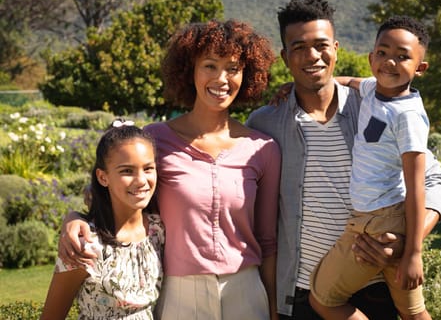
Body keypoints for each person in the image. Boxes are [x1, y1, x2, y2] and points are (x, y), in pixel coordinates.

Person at [245, 0, 441, 319]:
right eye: (298, 47)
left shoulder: (373, 107)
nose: (312, 56)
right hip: (300, 297)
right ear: (285, 57)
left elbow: (434, 179)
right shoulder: (265, 123)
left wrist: (405, 242)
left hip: (374, 289)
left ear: (337, 48)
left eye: (321, 45)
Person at [58, 19, 281, 320]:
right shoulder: (156, 139)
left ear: (247, 74)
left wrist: (272, 311)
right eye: (210, 66)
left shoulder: (263, 148)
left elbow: (267, 241)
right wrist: (73, 220)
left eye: (233, 68)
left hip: (247, 291)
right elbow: (108, 193)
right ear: (190, 70)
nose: (222, 78)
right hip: (179, 295)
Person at [308, 15, 432, 320]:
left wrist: (414, 254)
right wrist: (298, 85)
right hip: (380, 217)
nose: (390, 62)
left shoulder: (407, 116)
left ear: (420, 68)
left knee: (323, 299)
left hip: (377, 223)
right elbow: (349, 81)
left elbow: (416, 187)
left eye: (402, 57)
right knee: (413, 312)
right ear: (371, 57)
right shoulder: (374, 90)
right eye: (383, 53)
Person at [41, 121, 165, 320]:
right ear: (103, 177)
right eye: (126, 171)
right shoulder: (85, 244)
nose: (141, 180)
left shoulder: (158, 229)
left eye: (148, 168)